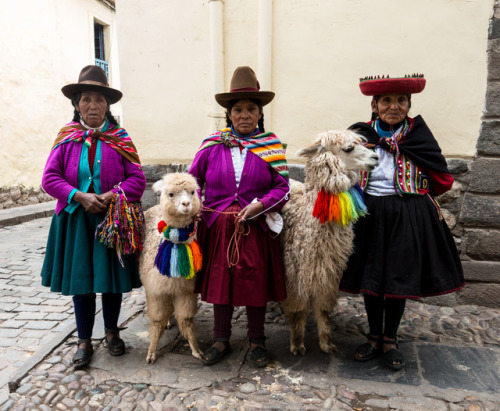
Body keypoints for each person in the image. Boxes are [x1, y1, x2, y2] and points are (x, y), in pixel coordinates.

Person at [339, 74, 464, 370]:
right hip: (368, 212)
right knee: (371, 275)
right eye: (386, 100)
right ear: (374, 105)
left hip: (407, 212)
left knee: (398, 275)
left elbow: (442, 177)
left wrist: (418, 195)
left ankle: (390, 339)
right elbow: (342, 169)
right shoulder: (360, 136)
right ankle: (372, 337)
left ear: (409, 104)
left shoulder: (417, 135)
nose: (393, 106)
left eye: (401, 100)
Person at [41, 65, 146, 369]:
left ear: (107, 105)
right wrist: (80, 196)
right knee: (82, 282)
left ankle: (112, 333)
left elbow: (137, 180)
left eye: (99, 100)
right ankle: (84, 340)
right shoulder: (67, 138)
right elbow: (50, 178)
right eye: (86, 99)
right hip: (75, 221)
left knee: (110, 281)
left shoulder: (120, 138)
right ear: (76, 105)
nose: (93, 106)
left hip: (112, 222)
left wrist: (111, 195)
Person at [189, 66, 290, 367]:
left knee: (254, 281)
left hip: (255, 227)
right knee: (221, 280)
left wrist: (261, 205)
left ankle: (257, 341)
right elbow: (192, 185)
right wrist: (190, 214)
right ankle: (221, 340)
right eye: (238, 110)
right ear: (229, 115)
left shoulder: (271, 147)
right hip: (217, 227)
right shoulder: (211, 147)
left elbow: (283, 188)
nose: (244, 115)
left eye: (251, 109)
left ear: (260, 114)